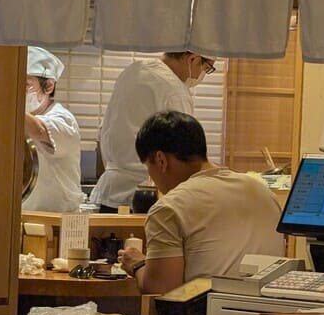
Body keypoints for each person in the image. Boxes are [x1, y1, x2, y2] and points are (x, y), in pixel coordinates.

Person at [118, 111, 285, 294]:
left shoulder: (169, 208)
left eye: (148, 167)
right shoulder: (264, 194)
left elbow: (162, 290)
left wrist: (137, 264)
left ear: (161, 160)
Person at [89, 52, 216, 212]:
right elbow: (185, 155)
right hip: (145, 199)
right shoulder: (175, 91)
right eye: (206, 68)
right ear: (193, 59)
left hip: (108, 194)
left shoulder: (133, 71)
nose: (201, 75)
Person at [22, 47, 82, 213]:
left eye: (26, 85)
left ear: (48, 86)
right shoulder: (17, 120)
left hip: (58, 221)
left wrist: (5, 102)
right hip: (24, 215)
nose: (18, 92)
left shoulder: (63, 119)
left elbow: (40, 130)